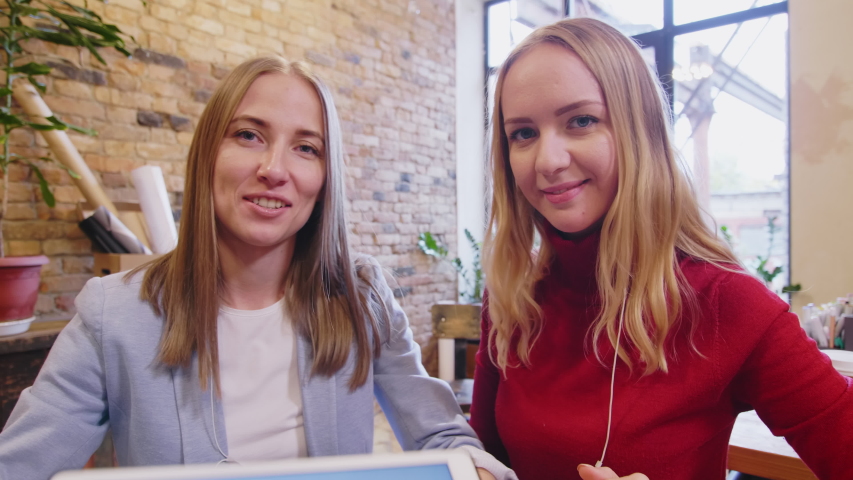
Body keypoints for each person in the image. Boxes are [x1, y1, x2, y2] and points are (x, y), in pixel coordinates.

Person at [0, 56, 511, 480]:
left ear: (325, 177)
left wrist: (477, 471)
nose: (275, 169)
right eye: (248, 136)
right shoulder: (113, 312)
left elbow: (440, 436)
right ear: (208, 155)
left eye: (306, 148)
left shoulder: (362, 297)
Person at [469, 17, 853, 480]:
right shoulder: (513, 297)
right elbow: (490, 460)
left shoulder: (727, 304)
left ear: (641, 131)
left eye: (582, 121)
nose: (548, 161)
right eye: (523, 133)